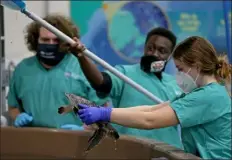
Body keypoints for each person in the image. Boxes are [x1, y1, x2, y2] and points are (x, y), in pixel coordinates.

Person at [76, 36, 232, 159]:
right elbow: (151, 110)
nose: (178, 75)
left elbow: (150, 120)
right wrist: (107, 112)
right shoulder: (201, 93)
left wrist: (105, 114)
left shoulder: (208, 96)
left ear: (196, 66)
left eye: (180, 69)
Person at [71, 27, 183, 149]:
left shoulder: (176, 84)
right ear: (144, 48)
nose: (154, 54)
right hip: (131, 150)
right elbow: (101, 83)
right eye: (150, 48)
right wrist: (81, 57)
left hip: (168, 152)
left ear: (170, 56)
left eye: (162, 51)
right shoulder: (124, 74)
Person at [7, 14, 107, 130]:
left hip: (76, 142)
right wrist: (18, 116)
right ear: (36, 40)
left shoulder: (83, 68)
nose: (50, 44)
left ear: (66, 41)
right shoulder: (23, 69)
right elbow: (13, 106)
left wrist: (84, 129)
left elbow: (103, 111)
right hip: (33, 141)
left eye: (56, 40)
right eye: (45, 39)